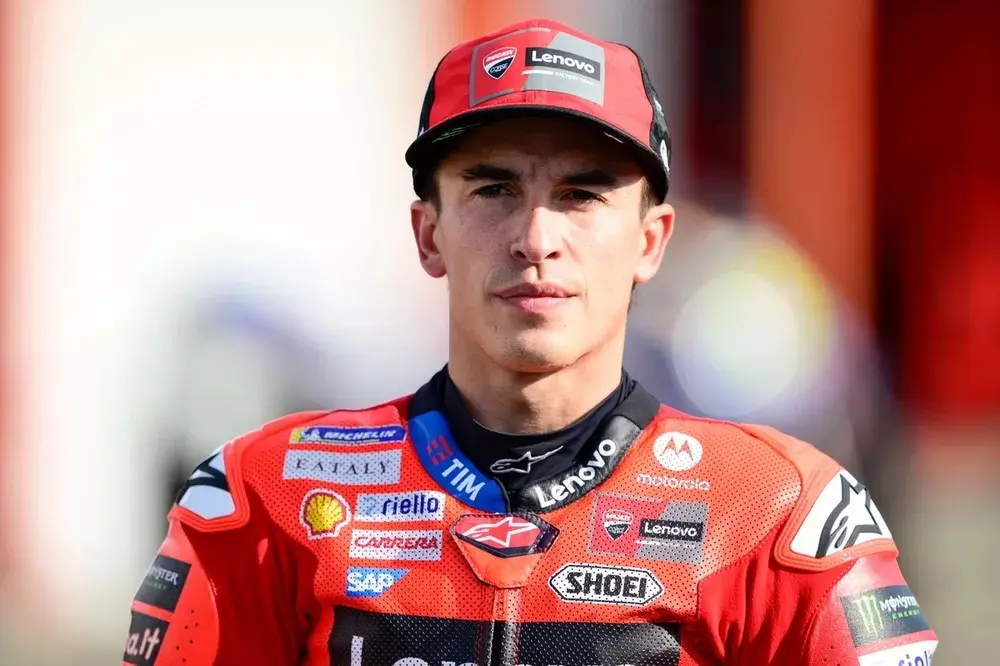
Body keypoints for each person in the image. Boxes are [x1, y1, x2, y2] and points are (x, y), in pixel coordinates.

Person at [122, 18, 937, 666]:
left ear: (651, 242)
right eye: (494, 189)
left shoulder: (783, 516)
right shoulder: (264, 499)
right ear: (428, 233)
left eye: (581, 194)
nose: (537, 238)